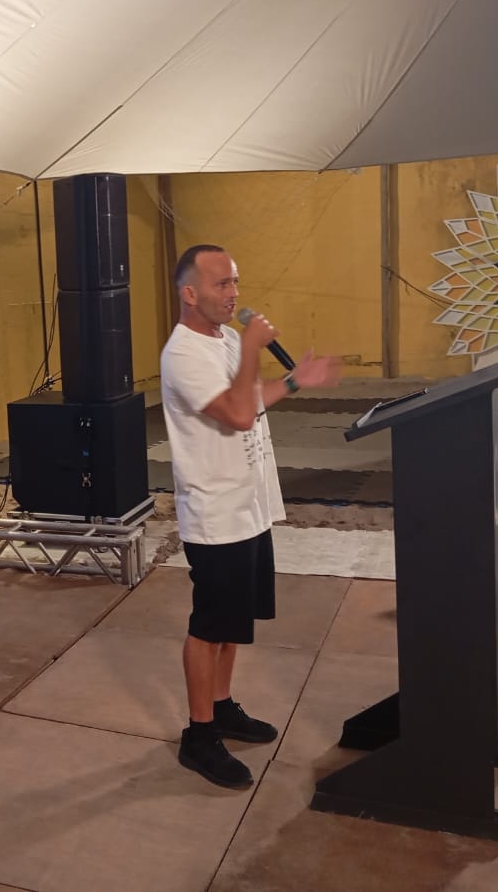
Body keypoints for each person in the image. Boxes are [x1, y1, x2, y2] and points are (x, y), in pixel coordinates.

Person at [160, 244, 341, 789]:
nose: (234, 293)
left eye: (235, 281)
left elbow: (252, 395)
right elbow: (239, 413)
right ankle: (199, 735)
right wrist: (256, 352)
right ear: (189, 293)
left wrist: (291, 382)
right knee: (209, 625)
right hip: (216, 512)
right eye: (221, 285)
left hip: (250, 506)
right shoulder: (183, 353)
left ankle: (222, 707)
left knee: (233, 624)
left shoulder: (228, 339)